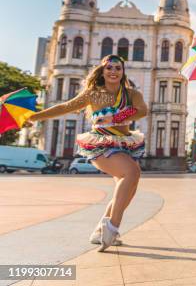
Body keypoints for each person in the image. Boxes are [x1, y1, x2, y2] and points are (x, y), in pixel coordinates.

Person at [26, 55, 147, 251]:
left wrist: (118, 116)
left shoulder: (132, 94)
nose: (113, 71)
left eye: (118, 68)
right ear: (103, 71)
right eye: (109, 68)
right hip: (100, 144)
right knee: (132, 172)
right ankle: (112, 228)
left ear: (123, 71)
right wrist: (35, 116)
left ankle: (100, 230)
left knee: (128, 189)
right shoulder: (93, 94)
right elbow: (65, 107)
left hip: (125, 144)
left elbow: (142, 110)